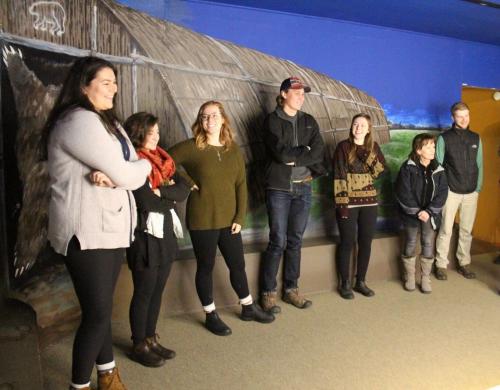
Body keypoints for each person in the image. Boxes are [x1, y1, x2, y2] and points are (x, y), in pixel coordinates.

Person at [44, 57, 151, 390]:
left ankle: (107, 375)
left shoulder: (109, 123)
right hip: (86, 234)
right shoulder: (79, 121)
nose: (114, 88)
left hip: (108, 229)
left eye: (115, 82)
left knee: (100, 311)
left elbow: (130, 166)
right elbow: (130, 171)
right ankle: (79, 385)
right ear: (83, 85)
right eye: (105, 82)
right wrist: (136, 169)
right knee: (97, 315)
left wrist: (130, 170)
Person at [169, 100, 274, 336]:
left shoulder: (232, 149)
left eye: (214, 116)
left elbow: (240, 184)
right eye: (204, 117)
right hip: (202, 220)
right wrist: (186, 181)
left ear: (223, 119)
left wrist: (240, 216)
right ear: (199, 121)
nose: (209, 121)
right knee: (205, 267)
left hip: (229, 221)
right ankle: (210, 314)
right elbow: (164, 160)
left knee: (237, 264)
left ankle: (248, 307)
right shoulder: (192, 147)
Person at [124, 112, 191, 367]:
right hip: (144, 237)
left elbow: (183, 189)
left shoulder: (164, 160)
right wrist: (167, 196)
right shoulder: (133, 162)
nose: (155, 137)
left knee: (157, 290)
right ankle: (138, 343)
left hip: (164, 234)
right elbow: (146, 201)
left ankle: (151, 338)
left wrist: (162, 191)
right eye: (150, 133)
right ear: (138, 133)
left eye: (157, 133)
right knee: (144, 291)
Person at [259, 76, 327, 313]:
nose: (301, 97)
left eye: (303, 93)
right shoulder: (272, 121)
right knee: (278, 240)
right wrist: (302, 152)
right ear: (284, 93)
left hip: (304, 185)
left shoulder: (309, 121)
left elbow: (318, 151)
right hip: (279, 187)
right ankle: (268, 293)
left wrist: (296, 155)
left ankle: (291, 289)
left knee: (295, 240)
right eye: (297, 92)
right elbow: (279, 154)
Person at [333, 113, 386, 299]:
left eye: (362, 125)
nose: (358, 127)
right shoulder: (343, 147)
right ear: (351, 126)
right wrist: (342, 204)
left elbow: (379, 171)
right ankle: (345, 283)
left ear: (369, 128)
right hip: (349, 203)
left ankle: (361, 281)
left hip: (370, 202)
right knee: (347, 242)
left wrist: (365, 153)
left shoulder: (374, 147)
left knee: (366, 243)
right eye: (355, 124)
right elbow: (339, 175)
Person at [434, 102, 483, 280]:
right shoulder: (444, 138)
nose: (464, 119)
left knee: (466, 230)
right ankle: (440, 264)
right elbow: (438, 166)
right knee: (446, 229)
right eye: (460, 116)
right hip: (451, 191)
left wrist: (477, 188)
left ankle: (464, 263)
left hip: (471, 191)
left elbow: (480, 165)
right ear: (453, 117)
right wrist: (443, 189)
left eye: (467, 116)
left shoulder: (476, 138)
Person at [395, 134, 448, 293]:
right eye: (429, 147)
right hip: (412, 214)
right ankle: (410, 276)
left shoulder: (439, 169)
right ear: (418, 150)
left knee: (427, 242)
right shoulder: (407, 168)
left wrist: (429, 211)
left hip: (429, 215)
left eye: (433, 146)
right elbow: (403, 192)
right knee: (410, 241)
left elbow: (443, 192)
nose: (433, 150)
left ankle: (425, 277)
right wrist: (418, 211)